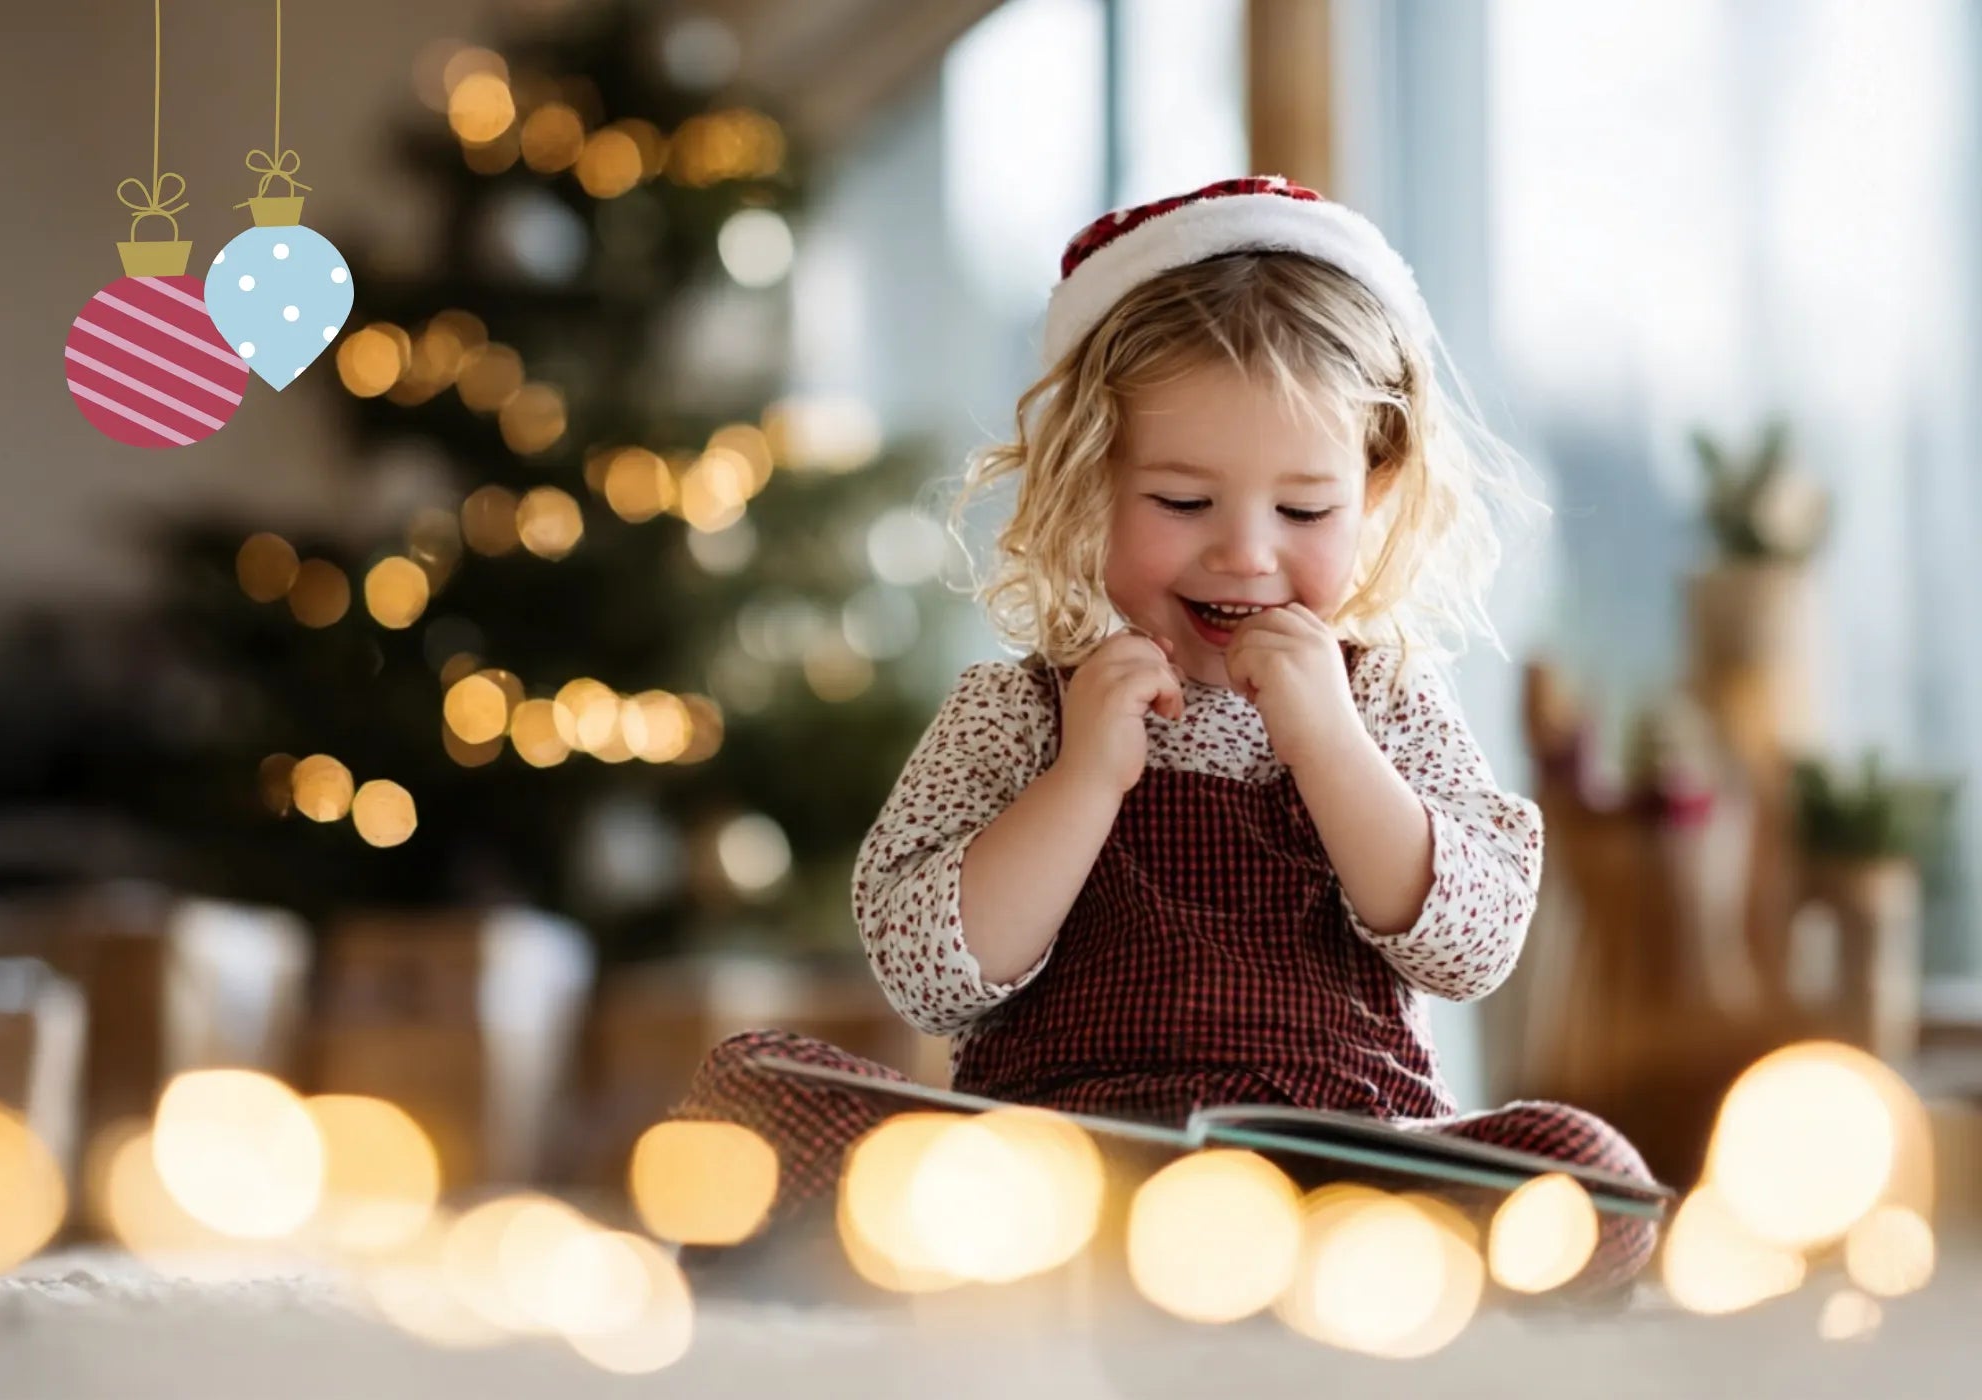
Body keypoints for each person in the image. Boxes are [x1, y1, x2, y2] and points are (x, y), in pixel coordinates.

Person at [675, 176, 1658, 1297]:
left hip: (1339, 1170)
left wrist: (1332, 748)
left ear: (1373, 488)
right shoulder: (1014, 712)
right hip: (1057, 1165)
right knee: (745, 1091)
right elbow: (926, 972)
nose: (1243, 553)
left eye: (1301, 511)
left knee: (1591, 1174)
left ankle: (1267, 1277)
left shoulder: (1383, 704)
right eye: (1183, 502)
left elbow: (1470, 946)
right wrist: (1084, 776)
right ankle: (1096, 1268)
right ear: (1093, 479)